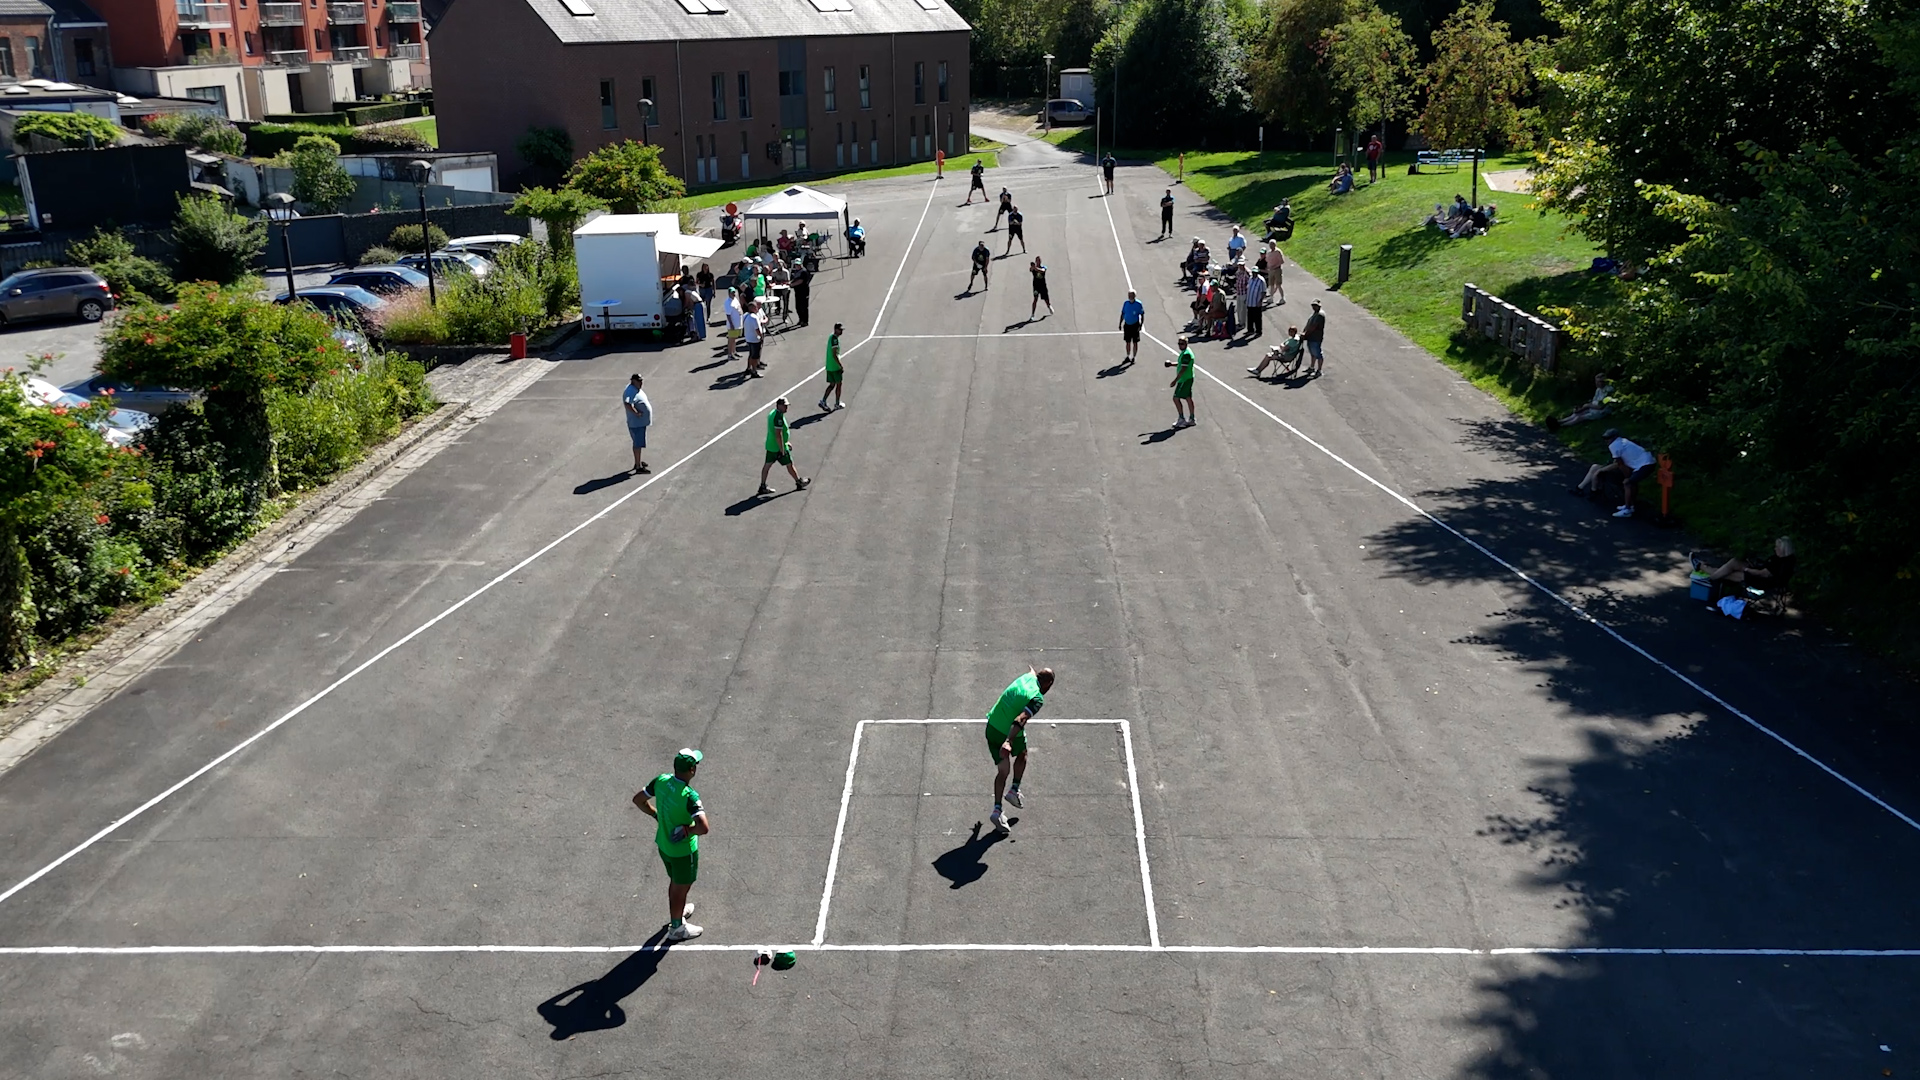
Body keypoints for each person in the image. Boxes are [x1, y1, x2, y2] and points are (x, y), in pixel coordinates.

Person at [633, 748, 710, 942]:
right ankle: (676, 927)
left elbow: (639, 800)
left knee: (676, 884)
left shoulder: (661, 780)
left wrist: (655, 815)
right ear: (692, 770)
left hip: (664, 846)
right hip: (683, 852)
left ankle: (679, 909)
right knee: (680, 887)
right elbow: (703, 827)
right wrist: (687, 830)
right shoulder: (689, 796)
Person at [984, 665, 1054, 834]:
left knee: (1002, 772)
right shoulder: (1037, 698)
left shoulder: (1028, 677)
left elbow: (1031, 671)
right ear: (1048, 684)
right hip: (1006, 730)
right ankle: (1014, 790)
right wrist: (1008, 741)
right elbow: (1021, 719)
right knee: (1022, 753)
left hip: (992, 727)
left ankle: (997, 810)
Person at [1572, 428, 1658, 518]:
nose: (1606, 440)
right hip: (1644, 462)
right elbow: (1618, 463)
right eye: (1605, 438)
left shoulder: (1614, 445)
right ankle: (1629, 505)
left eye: (1608, 438)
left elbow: (1619, 464)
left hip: (1646, 464)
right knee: (1631, 483)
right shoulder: (1622, 442)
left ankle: (1627, 510)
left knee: (1627, 483)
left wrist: (1627, 476)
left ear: (1614, 437)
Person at [1693, 537, 1796, 589]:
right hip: (1758, 572)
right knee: (1734, 562)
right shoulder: (1787, 559)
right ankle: (1703, 569)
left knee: (1727, 573)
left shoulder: (1781, 562)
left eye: (1777, 547)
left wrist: (1747, 569)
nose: (1775, 548)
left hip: (1760, 580)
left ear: (1783, 549)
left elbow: (1763, 574)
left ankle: (1703, 570)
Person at [758, 397, 810, 495]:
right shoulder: (778, 417)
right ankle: (799, 482)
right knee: (789, 464)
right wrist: (782, 450)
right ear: (779, 405)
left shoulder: (773, 413)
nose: (786, 408)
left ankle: (762, 486)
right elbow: (778, 435)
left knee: (767, 465)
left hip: (771, 445)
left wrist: (786, 441)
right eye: (785, 406)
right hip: (778, 447)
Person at [621, 373, 652, 474]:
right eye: (639, 381)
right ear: (633, 381)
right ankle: (638, 466)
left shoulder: (634, 388)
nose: (641, 382)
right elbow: (627, 403)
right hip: (636, 423)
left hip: (639, 423)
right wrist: (636, 413)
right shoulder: (630, 391)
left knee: (638, 443)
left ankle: (638, 461)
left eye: (641, 380)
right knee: (637, 444)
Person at [1167, 335, 1197, 428]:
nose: (1180, 345)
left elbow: (1183, 368)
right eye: (1179, 344)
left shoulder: (1186, 354)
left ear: (1186, 344)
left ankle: (1181, 419)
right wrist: (1172, 364)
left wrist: (1175, 381)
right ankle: (1192, 419)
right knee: (1188, 398)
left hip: (1184, 379)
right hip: (1188, 378)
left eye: (1182, 344)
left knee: (1176, 398)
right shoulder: (1185, 352)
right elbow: (1181, 364)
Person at [818, 323, 846, 411]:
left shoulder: (831, 337)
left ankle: (823, 401)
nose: (841, 331)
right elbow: (834, 354)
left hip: (829, 366)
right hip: (835, 366)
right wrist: (840, 365)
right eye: (840, 330)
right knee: (839, 384)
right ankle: (837, 404)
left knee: (832, 385)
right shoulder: (835, 340)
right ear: (836, 329)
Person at [1118, 289, 1146, 364]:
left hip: (1135, 325)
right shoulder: (1126, 303)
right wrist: (1120, 323)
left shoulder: (1138, 304)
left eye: (1132, 295)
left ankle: (1134, 357)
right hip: (1127, 325)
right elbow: (1123, 313)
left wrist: (1141, 324)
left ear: (1134, 296)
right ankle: (1128, 356)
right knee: (1127, 342)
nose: (1130, 296)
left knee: (1135, 342)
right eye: (1129, 295)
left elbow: (1142, 314)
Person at [1301, 300, 1326, 377]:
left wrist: (1305, 334)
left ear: (1319, 306)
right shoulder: (1314, 314)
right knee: (1313, 353)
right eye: (1313, 305)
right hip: (1310, 337)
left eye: (1315, 305)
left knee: (1318, 353)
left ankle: (1319, 370)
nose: (1314, 307)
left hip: (1315, 337)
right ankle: (1312, 367)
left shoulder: (1319, 315)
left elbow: (1313, 327)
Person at [742, 299, 766, 378]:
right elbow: (757, 330)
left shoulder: (745, 315)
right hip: (755, 339)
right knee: (755, 356)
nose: (757, 309)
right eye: (755, 307)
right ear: (752, 308)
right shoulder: (754, 318)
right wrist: (761, 337)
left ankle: (749, 368)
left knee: (751, 355)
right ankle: (754, 371)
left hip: (748, 338)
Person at [1243, 265, 1266, 338]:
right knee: (1250, 317)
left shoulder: (1261, 280)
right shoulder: (1250, 279)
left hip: (1256, 303)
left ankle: (1258, 331)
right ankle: (1250, 330)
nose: (1254, 274)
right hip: (1250, 301)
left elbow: (1263, 292)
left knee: (1257, 318)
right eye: (1253, 272)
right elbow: (1248, 289)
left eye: (1255, 272)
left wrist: (1260, 301)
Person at [723, 286, 744, 362]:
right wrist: (731, 324)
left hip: (738, 323)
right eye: (732, 292)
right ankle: (730, 354)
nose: (733, 294)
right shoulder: (727, 302)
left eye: (734, 292)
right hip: (733, 324)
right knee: (731, 340)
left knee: (734, 339)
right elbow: (728, 315)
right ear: (729, 293)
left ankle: (734, 352)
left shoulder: (735, 299)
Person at [791, 261, 812, 328]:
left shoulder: (804, 272)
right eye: (796, 265)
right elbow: (794, 279)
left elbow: (800, 281)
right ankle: (801, 319)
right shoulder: (796, 271)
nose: (797, 266)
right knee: (798, 306)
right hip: (797, 292)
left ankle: (805, 321)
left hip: (804, 292)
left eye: (798, 264)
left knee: (804, 307)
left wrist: (792, 285)